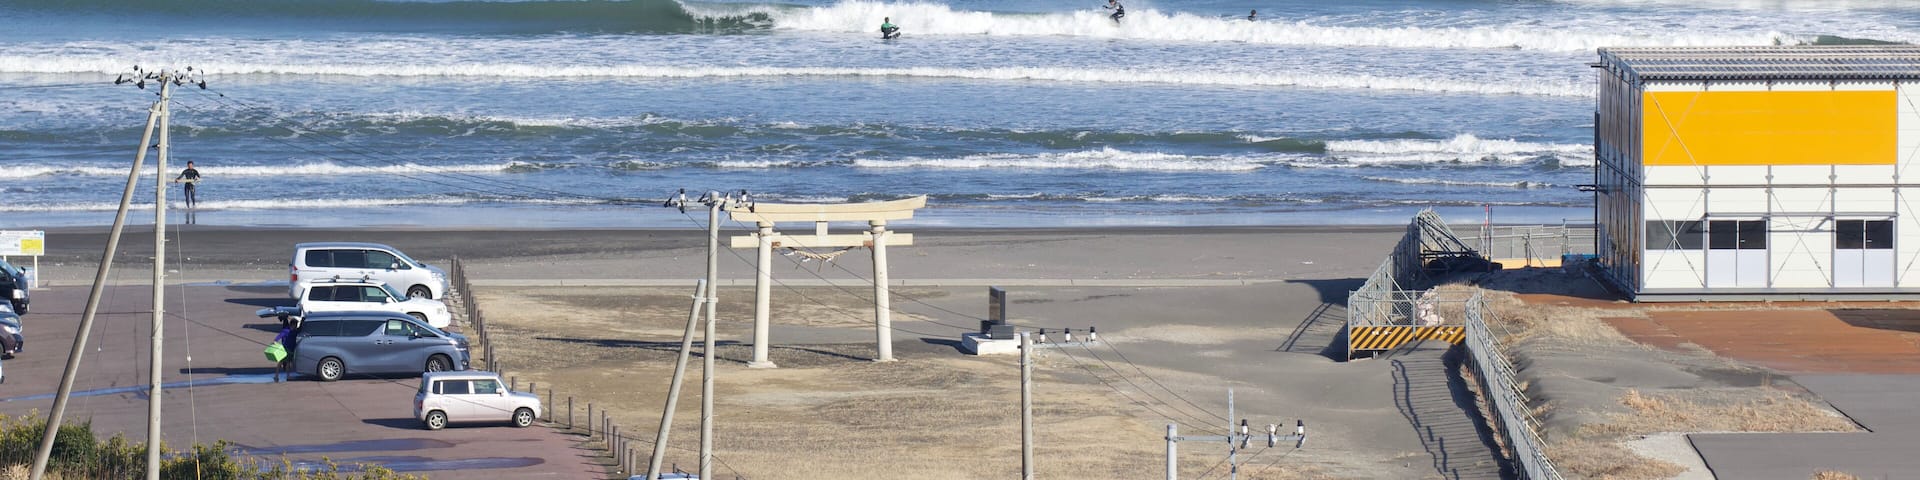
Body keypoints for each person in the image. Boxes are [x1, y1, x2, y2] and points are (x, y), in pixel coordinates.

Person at [271, 313, 300, 382]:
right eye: (295, 325)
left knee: (287, 362)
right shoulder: (286, 330)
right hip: (285, 348)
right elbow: (280, 335)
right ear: (293, 325)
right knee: (281, 362)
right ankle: (277, 376)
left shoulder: (295, 331)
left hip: (291, 348)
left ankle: (286, 376)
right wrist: (275, 341)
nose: (296, 327)